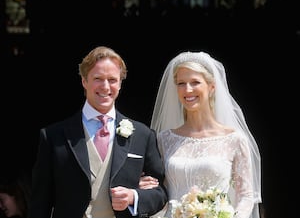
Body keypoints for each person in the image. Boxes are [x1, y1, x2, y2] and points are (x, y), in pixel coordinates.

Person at [30, 46, 168, 218]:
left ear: (120, 83)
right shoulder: (53, 136)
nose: (105, 86)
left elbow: (161, 192)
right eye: (98, 78)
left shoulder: (142, 134)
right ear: (84, 81)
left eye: (112, 79)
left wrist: (134, 196)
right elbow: (40, 202)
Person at [140, 51, 262, 218]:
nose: (187, 90)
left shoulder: (234, 140)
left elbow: (246, 197)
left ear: (211, 87)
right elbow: (158, 190)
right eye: (181, 83)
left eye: (195, 82)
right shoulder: (164, 139)